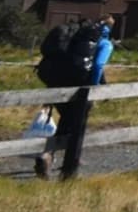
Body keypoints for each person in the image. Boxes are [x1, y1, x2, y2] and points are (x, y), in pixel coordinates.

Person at [35, 17, 114, 177]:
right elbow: (98, 65)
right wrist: (94, 86)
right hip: (80, 87)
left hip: (57, 83)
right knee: (78, 124)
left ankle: (55, 156)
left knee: (67, 121)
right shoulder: (103, 43)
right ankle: (66, 163)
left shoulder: (75, 36)